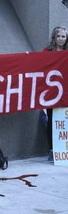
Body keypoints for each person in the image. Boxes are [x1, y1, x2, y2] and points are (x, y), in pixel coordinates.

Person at [43, 25, 68, 162]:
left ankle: (64, 150)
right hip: (51, 92)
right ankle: (52, 150)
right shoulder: (47, 51)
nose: (61, 39)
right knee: (52, 121)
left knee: (65, 122)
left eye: (63, 36)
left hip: (66, 91)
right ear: (54, 37)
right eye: (58, 36)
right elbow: (38, 66)